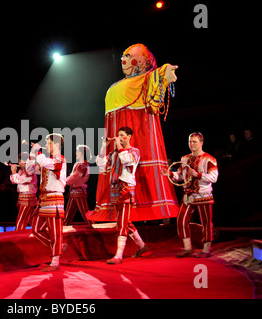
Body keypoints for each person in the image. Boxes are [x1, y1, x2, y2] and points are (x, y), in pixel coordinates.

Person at [88, 43, 179, 223]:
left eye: (129, 56)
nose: (124, 59)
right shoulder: (117, 85)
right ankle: (114, 211)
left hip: (139, 127)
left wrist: (167, 71)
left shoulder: (144, 79)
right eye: (124, 56)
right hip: (117, 128)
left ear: (143, 62)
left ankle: (156, 209)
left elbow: (159, 73)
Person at [161, 132, 219, 258]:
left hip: (204, 195)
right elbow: (181, 176)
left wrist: (197, 175)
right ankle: (187, 247)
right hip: (188, 195)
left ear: (201, 143)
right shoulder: (185, 158)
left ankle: (206, 249)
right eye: (190, 142)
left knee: (206, 223)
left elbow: (214, 178)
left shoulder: (209, 159)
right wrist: (170, 174)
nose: (191, 144)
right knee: (181, 220)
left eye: (194, 142)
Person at [96, 127, 148, 264]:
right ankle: (142, 246)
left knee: (121, 223)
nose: (119, 137)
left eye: (122, 135)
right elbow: (99, 163)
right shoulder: (114, 153)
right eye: (118, 135)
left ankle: (118, 255)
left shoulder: (134, 151)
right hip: (115, 188)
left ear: (129, 137)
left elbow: (126, 160)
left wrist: (118, 144)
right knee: (124, 220)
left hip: (126, 188)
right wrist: (103, 146)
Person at [26, 133, 67, 272]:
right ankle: (58, 248)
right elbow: (30, 169)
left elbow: (43, 162)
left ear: (56, 144)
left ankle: (55, 262)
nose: (45, 145)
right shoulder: (47, 160)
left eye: (47, 142)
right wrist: (32, 155)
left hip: (55, 198)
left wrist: (38, 152)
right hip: (44, 199)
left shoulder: (59, 160)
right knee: (36, 229)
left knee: (55, 232)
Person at [64, 144, 93, 225]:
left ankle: (94, 226)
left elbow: (75, 176)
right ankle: (63, 226)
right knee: (69, 213)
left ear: (82, 153)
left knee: (85, 212)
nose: (76, 153)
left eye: (77, 151)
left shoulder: (82, 164)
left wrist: (64, 182)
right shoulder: (80, 164)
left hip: (79, 191)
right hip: (74, 192)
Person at [9, 152, 38, 230]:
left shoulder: (30, 171)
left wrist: (13, 172)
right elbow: (14, 181)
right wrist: (15, 173)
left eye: (20, 161)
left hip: (28, 198)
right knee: (30, 218)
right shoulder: (22, 170)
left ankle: (17, 235)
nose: (19, 163)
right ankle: (38, 231)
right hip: (22, 197)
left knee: (21, 219)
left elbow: (21, 180)